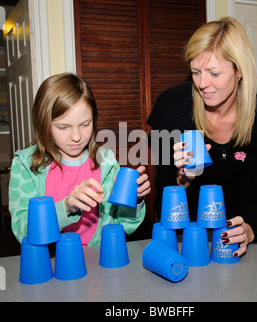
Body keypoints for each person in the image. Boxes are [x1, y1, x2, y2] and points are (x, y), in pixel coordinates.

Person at [147, 17, 257, 257]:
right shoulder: (172, 108)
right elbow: (162, 194)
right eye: (196, 72)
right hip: (184, 240)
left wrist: (248, 230)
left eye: (214, 73)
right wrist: (182, 180)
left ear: (239, 71)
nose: (202, 84)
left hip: (234, 241)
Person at [9, 73, 151, 247]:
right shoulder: (26, 165)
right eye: (63, 127)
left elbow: (123, 226)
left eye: (85, 124)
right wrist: (66, 207)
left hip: (99, 260)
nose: (76, 136)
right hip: (50, 262)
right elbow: (22, 230)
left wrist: (133, 200)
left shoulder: (105, 161)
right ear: (44, 124)